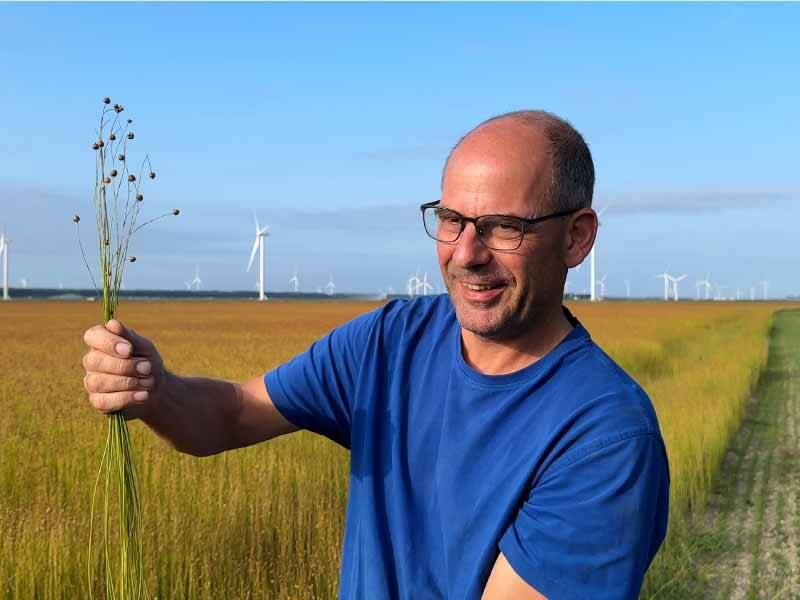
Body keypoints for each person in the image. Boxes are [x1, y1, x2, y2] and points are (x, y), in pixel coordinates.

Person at [82, 110, 669, 600]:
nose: (466, 253)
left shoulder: (605, 439)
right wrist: (155, 391)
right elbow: (233, 413)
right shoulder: (389, 343)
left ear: (577, 237)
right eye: (451, 220)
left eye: (502, 227)